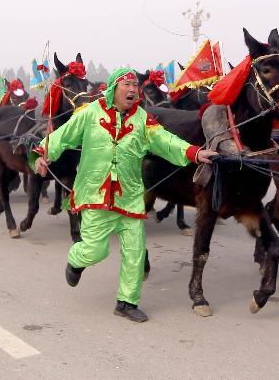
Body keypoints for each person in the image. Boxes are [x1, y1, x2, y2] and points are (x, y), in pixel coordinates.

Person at [31, 67, 217, 323]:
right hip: (96, 195)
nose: (132, 90)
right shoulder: (89, 113)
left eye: (134, 86)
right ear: (112, 89)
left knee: (135, 252)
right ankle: (76, 261)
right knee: (95, 251)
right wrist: (43, 153)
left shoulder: (143, 120)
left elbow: (166, 140)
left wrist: (194, 153)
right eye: (125, 85)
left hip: (129, 196)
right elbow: (63, 135)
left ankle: (126, 303)